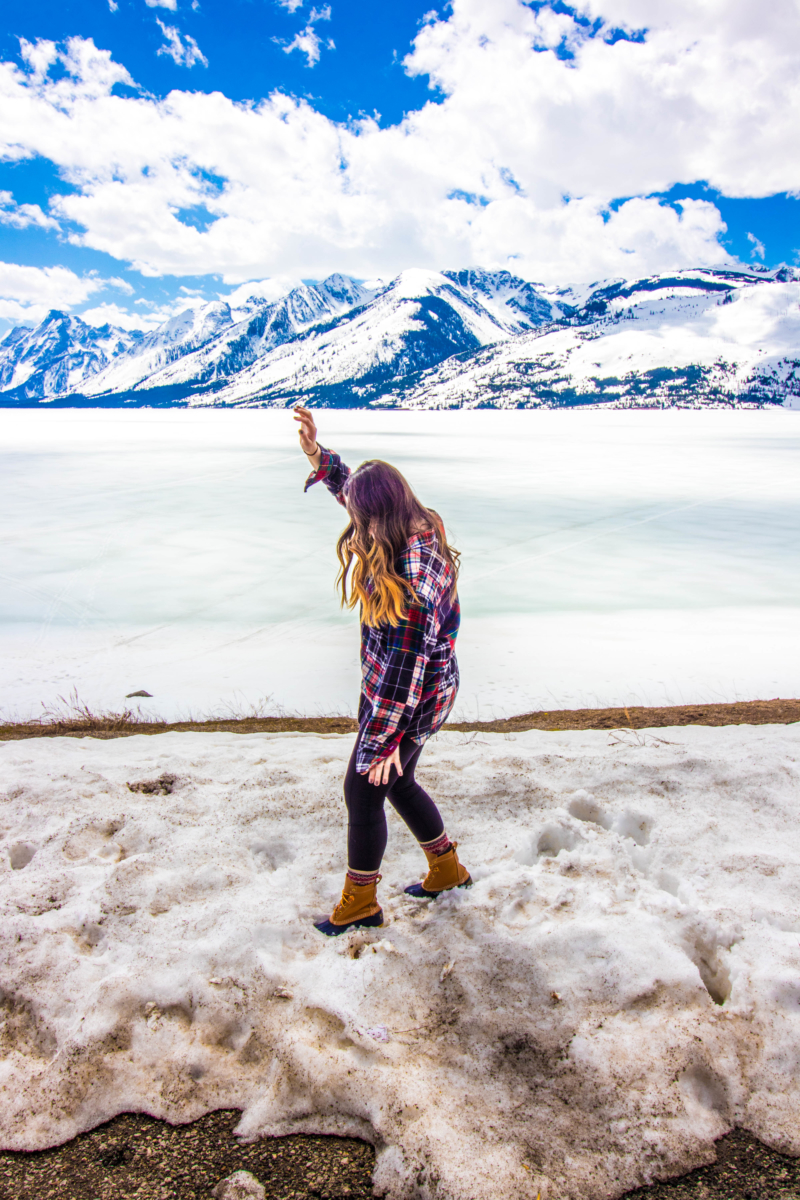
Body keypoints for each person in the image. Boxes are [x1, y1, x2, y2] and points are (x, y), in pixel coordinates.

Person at [293, 405, 472, 936]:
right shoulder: (406, 522)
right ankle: (446, 868)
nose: (357, 525)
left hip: (413, 696)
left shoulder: (415, 573)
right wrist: (319, 459)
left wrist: (383, 741)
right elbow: (358, 490)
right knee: (397, 783)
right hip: (414, 689)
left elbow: (407, 664)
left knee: (364, 787)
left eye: (361, 517)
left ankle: (360, 904)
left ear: (381, 516)